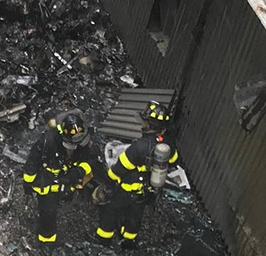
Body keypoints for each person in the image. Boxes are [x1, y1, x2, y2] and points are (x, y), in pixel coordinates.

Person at [94, 101, 179, 248]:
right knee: (135, 215)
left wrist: (108, 183)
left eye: (144, 121)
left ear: (149, 124)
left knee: (111, 210)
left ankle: (103, 239)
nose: (142, 124)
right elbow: (173, 160)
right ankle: (128, 242)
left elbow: (119, 169)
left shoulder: (139, 147)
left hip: (127, 188)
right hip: (147, 189)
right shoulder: (167, 144)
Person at [23, 110, 102, 245]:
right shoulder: (47, 141)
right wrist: (28, 184)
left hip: (68, 178)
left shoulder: (84, 141)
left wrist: (79, 171)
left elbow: (92, 159)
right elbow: (32, 162)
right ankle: (46, 241)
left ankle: (64, 198)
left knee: (64, 197)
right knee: (48, 212)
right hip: (48, 181)